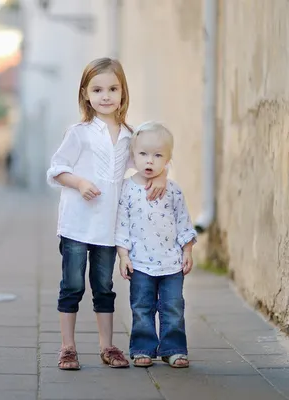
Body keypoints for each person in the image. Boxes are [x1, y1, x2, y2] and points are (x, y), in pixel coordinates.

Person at [46, 57, 168, 370]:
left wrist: (162, 177)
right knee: (72, 286)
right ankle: (67, 347)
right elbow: (57, 169)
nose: (105, 95)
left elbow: (148, 162)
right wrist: (79, 182)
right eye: (97, 89)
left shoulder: (130, 136)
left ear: (122, 94)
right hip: (76, 225)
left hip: (107, 228)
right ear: (85, 94)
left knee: (104, 288)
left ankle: (107, 346)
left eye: (112, 88)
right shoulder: (80, 132)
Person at [115, 121, 197, 368]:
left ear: (168, 160)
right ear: (133, 156)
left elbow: (183, 221)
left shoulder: (172, 190)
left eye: (157, 155)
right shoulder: (128, 189)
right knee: (142, 307)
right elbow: (122, 224)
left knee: (173, 308)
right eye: (143, 154)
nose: (149, 161)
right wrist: (123, 256)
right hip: (140, 263)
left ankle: (173, 348)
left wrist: (188, 251)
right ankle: (143, 348)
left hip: (171, 263)